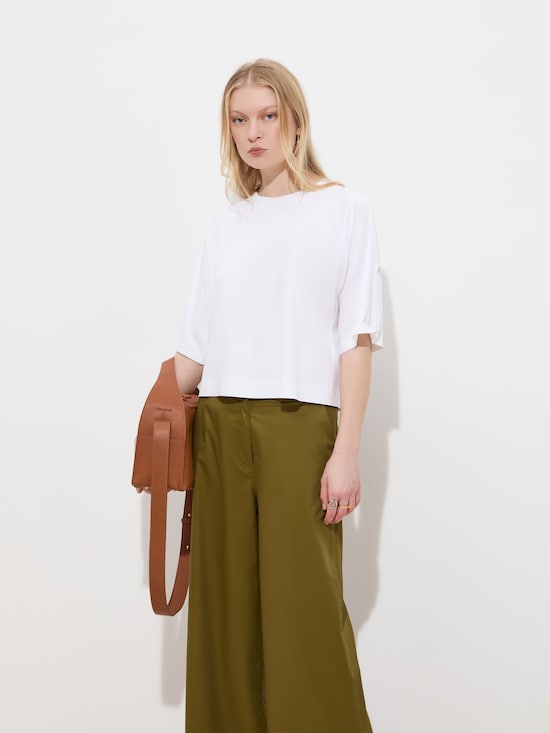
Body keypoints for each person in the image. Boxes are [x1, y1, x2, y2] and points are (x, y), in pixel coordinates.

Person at [174, 58, 382, 733]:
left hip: (302, 427)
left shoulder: (344, 210)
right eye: (239, 120)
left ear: (295, 120)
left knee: (306, 612)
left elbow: (356, 339)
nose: (254, 132)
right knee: (225, 614)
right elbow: (195, 351)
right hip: (221, 426)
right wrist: (152, 411)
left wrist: (347, 449)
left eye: (268, 116)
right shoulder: (225, 226)